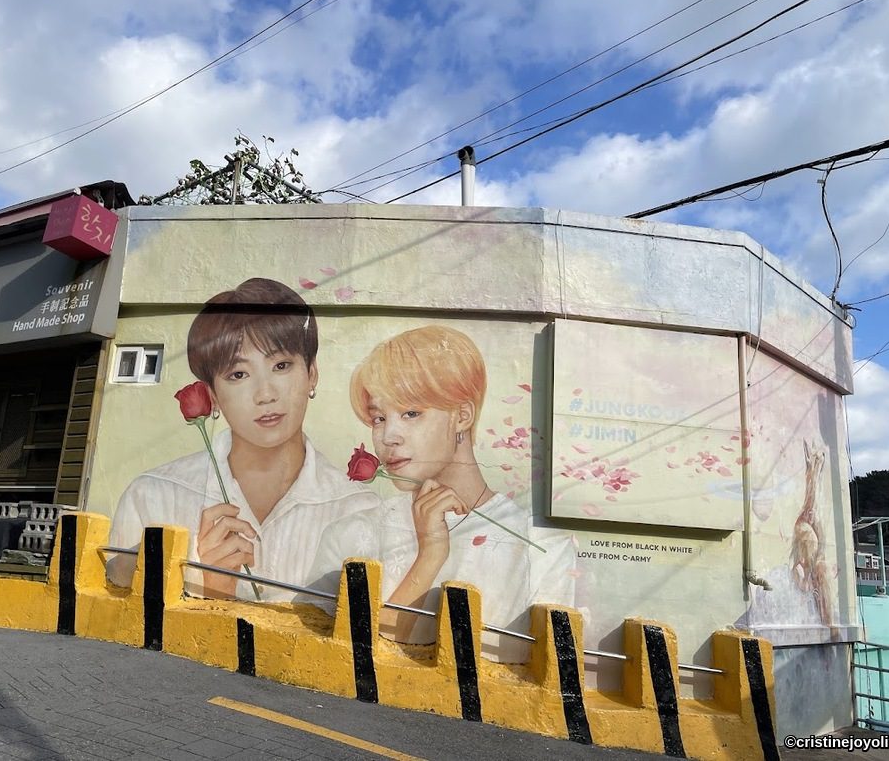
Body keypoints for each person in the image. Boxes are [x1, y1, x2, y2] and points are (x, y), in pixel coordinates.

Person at [107, 278, 378, 601]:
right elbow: (114, 619)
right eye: (238, 374)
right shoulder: (152, 497)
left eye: (281, 365)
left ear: (312, 374)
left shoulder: (359, 509)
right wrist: (211, 593)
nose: (265, 394)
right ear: (213, 395)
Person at [309, 325, 575, 654]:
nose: (388, 436)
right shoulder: (351, 534)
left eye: (411, 413)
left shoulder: (541, 548)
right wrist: (429, 557)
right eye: (379, 418)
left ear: (462, 416)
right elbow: (335, 657)